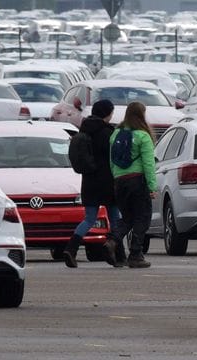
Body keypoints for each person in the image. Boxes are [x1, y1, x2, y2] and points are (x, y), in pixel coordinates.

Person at [63, 99, 121, 268]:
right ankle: (116, 252)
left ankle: (71, 249)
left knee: (89, 219)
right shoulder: (108, 133)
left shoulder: (85, 129)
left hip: (89, 181)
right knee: (115, 218)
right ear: (107, 113)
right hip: (108, 181)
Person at [105, 102, 157, 269]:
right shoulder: (143, 136)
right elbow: (149, 164)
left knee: (127, 217)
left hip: (120, 181)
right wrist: (152, 186)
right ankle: (136, 254)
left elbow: (111, 161)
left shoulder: (115, 134)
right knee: (142, 217)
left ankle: (112, 240)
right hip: (138, 181)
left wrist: (116, 179)